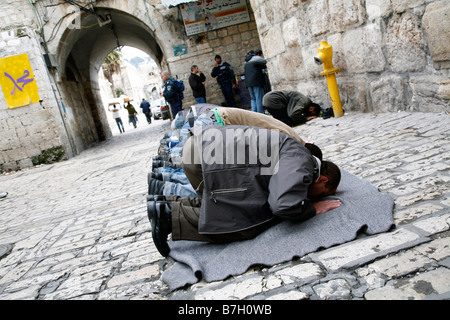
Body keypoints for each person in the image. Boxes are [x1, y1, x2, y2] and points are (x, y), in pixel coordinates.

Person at [148, 125, 341, 256]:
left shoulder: (295, 152)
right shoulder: (301, 161)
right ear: (322, 179)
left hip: (199, 147)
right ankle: (169, 218)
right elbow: (283, 205)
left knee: (220, 207)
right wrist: (311, 208)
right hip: (204, 158)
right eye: (323, 192)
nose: (319, 196)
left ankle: (167, 206)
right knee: (243, 223)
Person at [244, 49, 267, 114]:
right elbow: (264, 61)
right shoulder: (255, 58)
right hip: (256, 81)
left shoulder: (246, 62)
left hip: (248, 83)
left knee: (253, 99)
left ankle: (254, 115)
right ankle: (261, 115)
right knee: (259, 98)